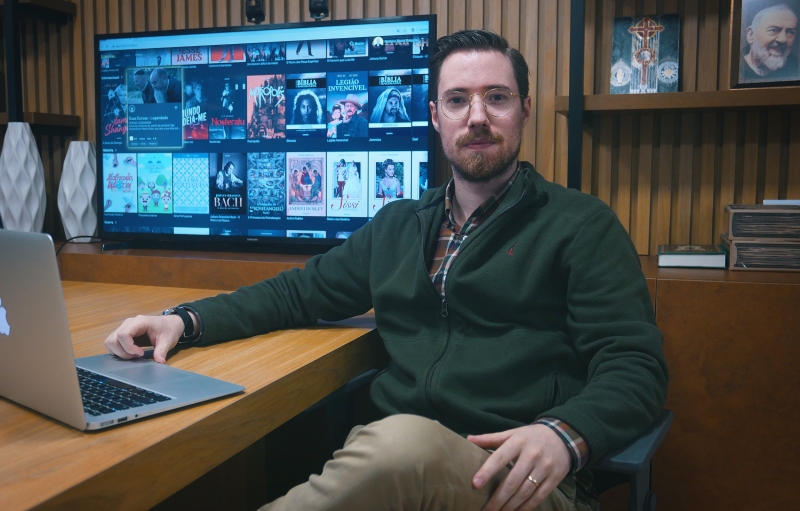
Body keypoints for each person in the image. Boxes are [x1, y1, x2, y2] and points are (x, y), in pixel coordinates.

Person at [104, 29, 668, 511]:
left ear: (524, 110)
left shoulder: (580, 224)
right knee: (393, 444)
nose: (477, 117)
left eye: (497, 97)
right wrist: (184, 320)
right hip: (394, 470)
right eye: (457, 100)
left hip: (519, 478)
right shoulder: (400, 223)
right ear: (433, 116)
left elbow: (636, 367)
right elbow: (297, 294)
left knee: (399, 444)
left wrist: (563, 436)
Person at [740, 3, 798, 82]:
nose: (783, 39)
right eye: (773, 30)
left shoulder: (794, 67)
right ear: (751, 35)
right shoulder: (735, 69)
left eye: (790, 32)